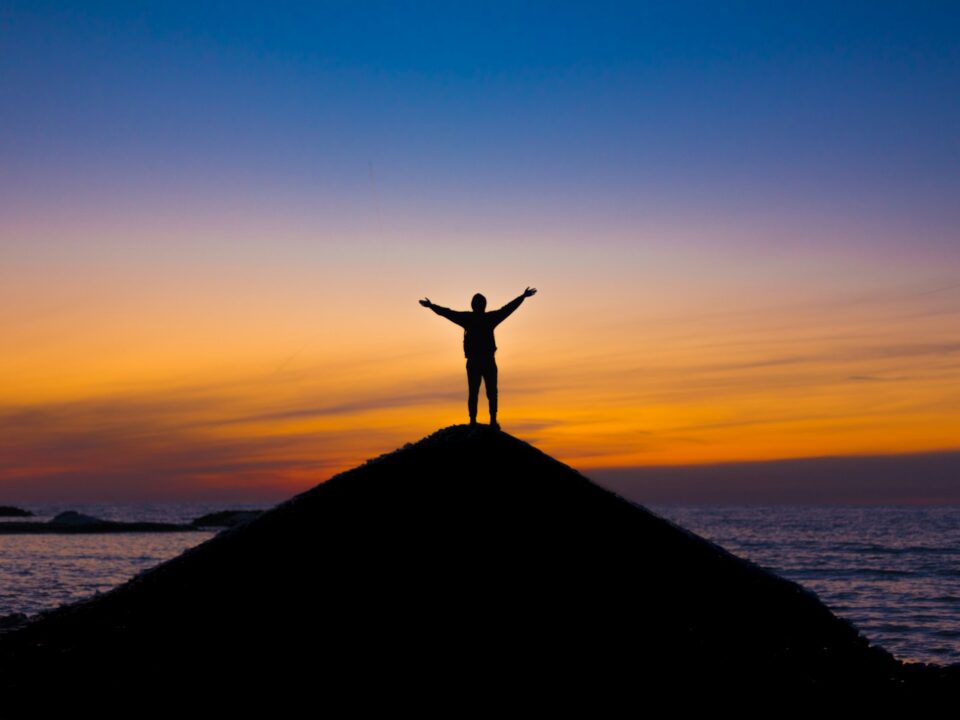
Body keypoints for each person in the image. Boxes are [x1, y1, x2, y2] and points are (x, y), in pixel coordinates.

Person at [420, 287, 537, 430]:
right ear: (484, 305)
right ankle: (492, 421)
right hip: (487, 361)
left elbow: (447, 313)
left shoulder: (468, 319)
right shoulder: (489, 318)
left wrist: (431, 306)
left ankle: (474, 421)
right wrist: (522, 297)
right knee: (491, 392)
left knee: (475, 392)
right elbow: (508, 309)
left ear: (473, 305)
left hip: (476, 361)